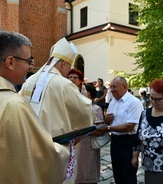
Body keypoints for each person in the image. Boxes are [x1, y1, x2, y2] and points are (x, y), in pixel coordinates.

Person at [0, 30, 73, 183]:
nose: (30, 67)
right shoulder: (13, 105)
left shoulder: (27, 83)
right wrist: (68, 147)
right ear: (10, 62)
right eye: (28, 61)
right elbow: (42, 158)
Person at [19, 37, 93, 184]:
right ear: (64, 63)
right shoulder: (64, 84)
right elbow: (84, 112)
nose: (68, 72)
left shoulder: (30, 80)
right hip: (56, 146)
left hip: (30, 144)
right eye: (68, 67)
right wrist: (85, 99)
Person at [132, 79, 163, 184]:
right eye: (151, 98)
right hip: (149, 167)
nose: (153, 102)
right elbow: (137, 138)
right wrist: (135, 156)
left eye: (157, 99)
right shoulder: (144, 114)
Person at [102, 76, 143, 184]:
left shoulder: (134, 102)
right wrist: (105, 120)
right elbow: (108, 120)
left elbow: (130, 126)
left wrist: (108, 128)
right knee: (117, 173)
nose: (111, 89)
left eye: (114, 87)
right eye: (110, 86)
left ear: (124, 87)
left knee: (128, 174)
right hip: (115, 142)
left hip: (128, 142)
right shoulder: (113, 102)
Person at [67, 69, 103, 184]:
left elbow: (99, 127)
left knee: (86, 167)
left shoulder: (93, 106)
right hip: (72, 138)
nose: (71, 80)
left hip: (86, 141)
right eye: (70, 77)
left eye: (74, 77)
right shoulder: (66, 91)